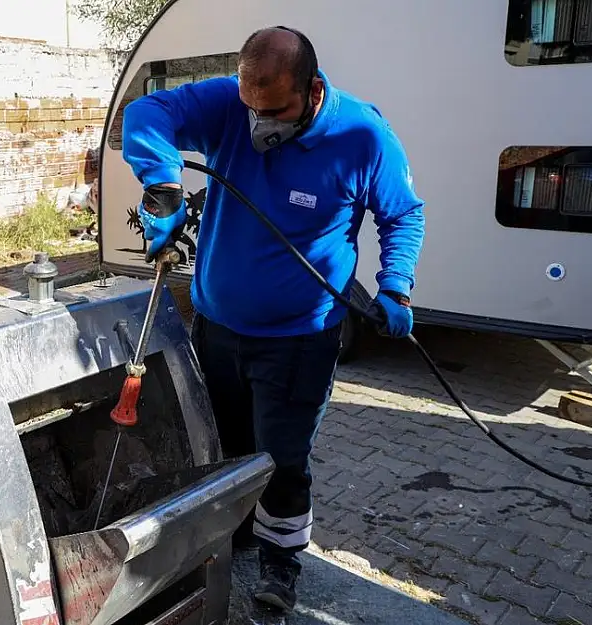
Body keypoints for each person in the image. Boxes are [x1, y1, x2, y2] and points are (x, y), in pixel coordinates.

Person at [120, 26, 425, 612]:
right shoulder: (232, 104)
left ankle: (280, 562)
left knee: (282, 459)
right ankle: (227, 537)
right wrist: (161, 183)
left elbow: (403, 215)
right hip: (217, 329)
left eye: (276, 109)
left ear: (312, 90)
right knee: (220, 445)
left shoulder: (363, 136)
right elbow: (148, 111)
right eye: (250, 106)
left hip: (299, 340)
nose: (260, 123)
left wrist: (397, 287)